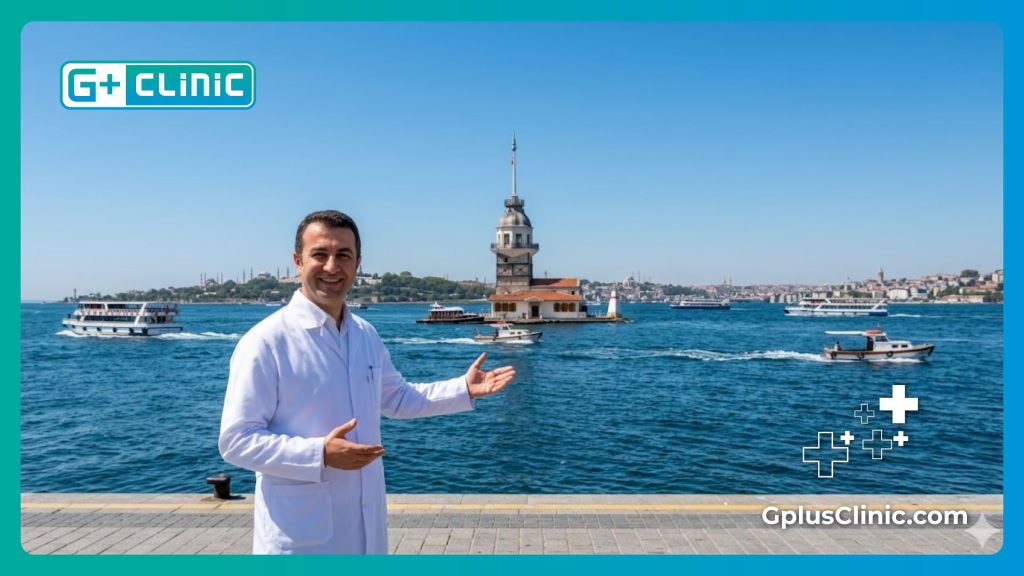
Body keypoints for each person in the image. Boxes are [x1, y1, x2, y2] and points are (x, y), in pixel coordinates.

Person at [218, 210, 515, 554]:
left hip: (366, 534)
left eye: (343, 255)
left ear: (358, 264)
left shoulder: (364, 334)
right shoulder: (266, 341)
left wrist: (463, 389)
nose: (332, 266)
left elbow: (399, 399)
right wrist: (319, 454)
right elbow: (236, 441)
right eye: (320, 254)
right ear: (297, 262)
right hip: (299, 544)